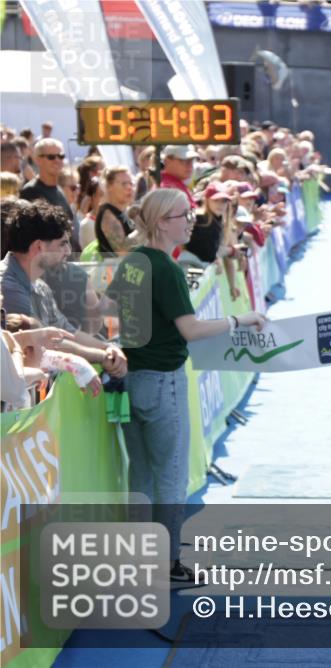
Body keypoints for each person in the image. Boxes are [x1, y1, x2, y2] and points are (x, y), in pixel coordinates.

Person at [106, 189, 266, 581]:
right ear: (162, 221)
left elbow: (112, 312)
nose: (191, 220)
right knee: (170, 475)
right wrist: (237, 320)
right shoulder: (164, 268)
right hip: (162, 382)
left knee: (140, 474)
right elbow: (191, 329)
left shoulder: (134, 263)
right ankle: (168, 563)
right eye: (184, 214)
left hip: (132, 381)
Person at [0, 201, 128, 376]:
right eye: (62, 244)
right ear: (39, 247)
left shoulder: (39, 284)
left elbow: (67, 332)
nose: (68, 252)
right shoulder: (7, 288)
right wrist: (102, 356)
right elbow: (47, 344)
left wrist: (108, 348)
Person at [19, 139, 75, 226]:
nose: (57, 160)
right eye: (51, 157)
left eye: (61, 156)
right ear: (38, 160)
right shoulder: (30, 191)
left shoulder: (59, 189)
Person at [95, 166, 137, 255]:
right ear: (109, 186)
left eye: (131, 183)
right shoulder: (108, 215)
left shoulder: (123, 212)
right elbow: (122, 252)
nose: (129, 188)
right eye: (124, 184)